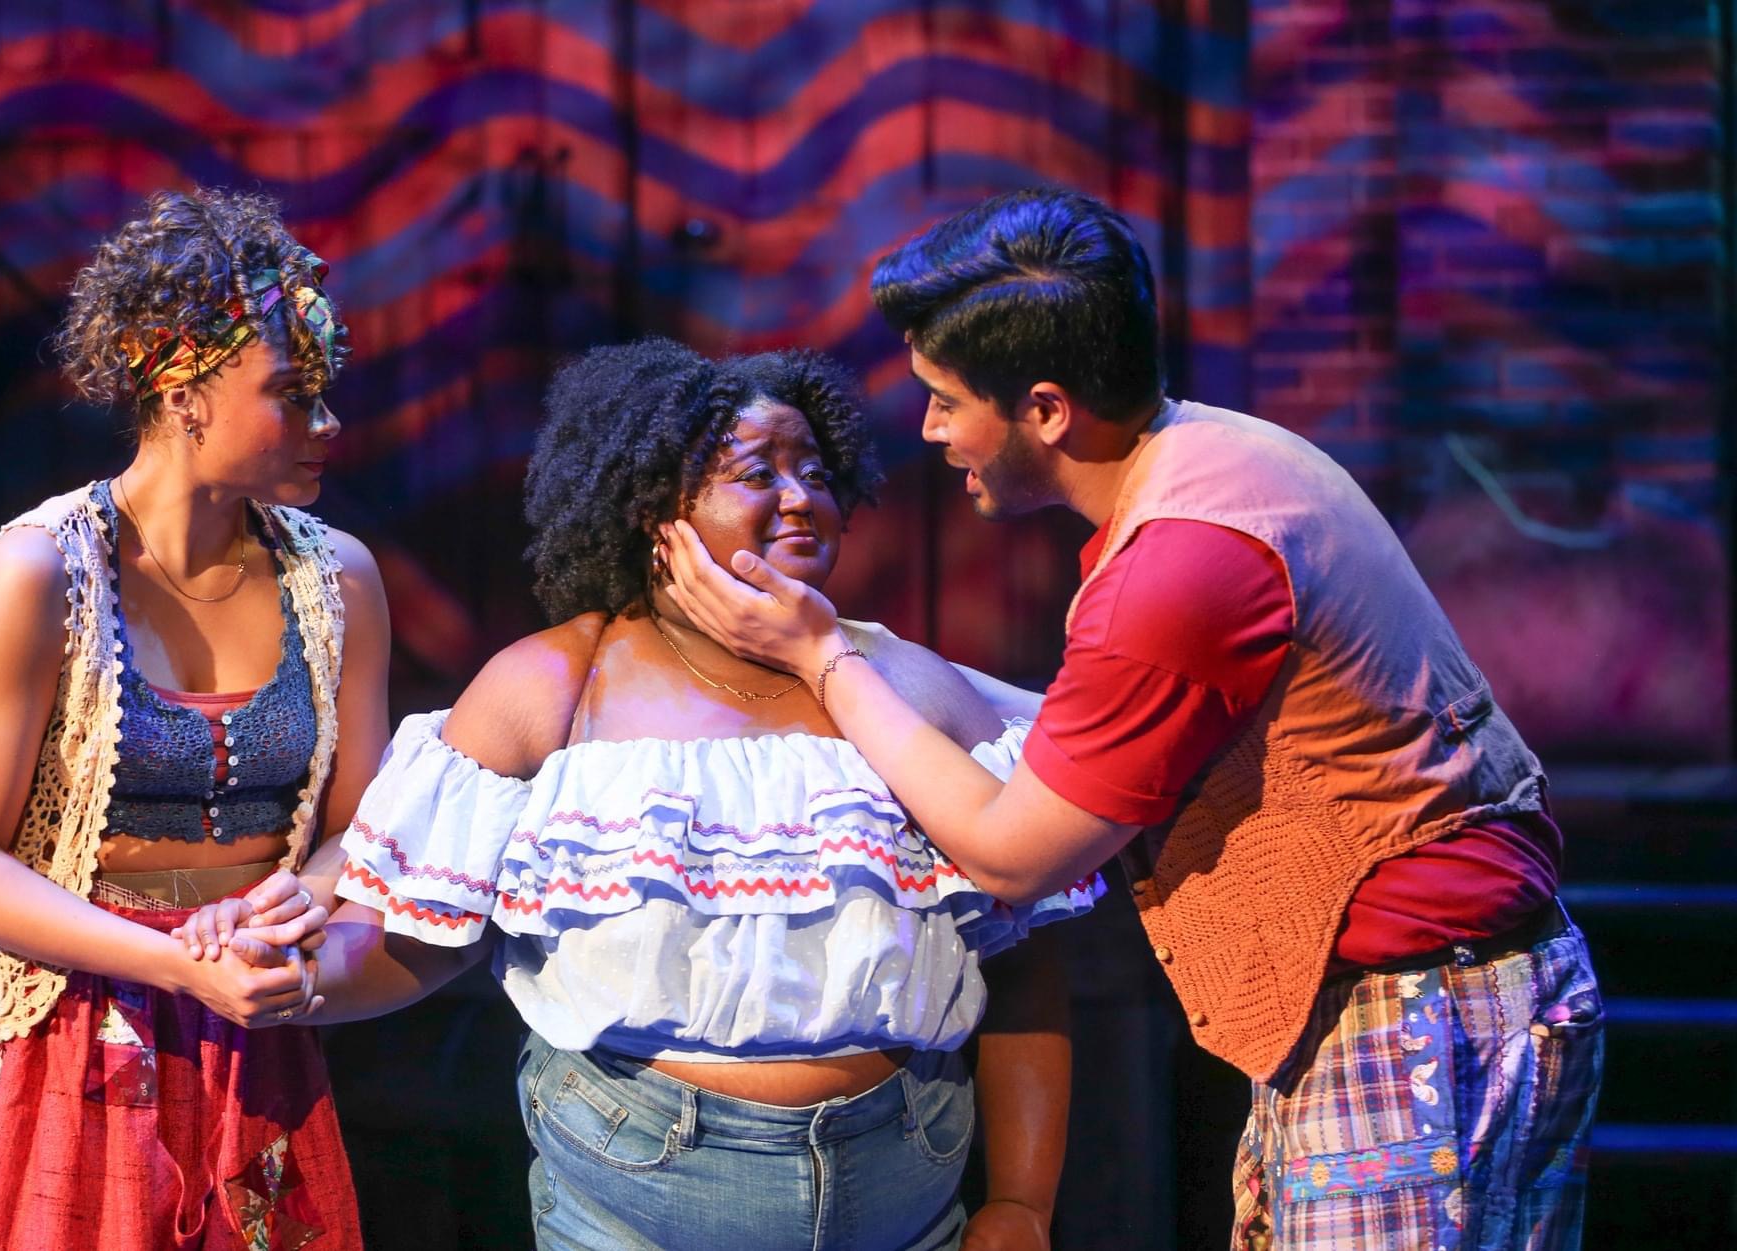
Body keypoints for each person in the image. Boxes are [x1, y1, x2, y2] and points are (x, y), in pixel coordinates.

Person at [660, 187, 1603, 1250]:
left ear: (1046, 409)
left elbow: (1015, 855)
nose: (929, 430)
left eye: (945, 399)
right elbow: (1117, 720)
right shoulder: (1217, 455)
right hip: (1421, 994)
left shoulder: (1181, 563)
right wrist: (870, 662)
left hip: (1416, 1014)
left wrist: (822, 658)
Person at [225, 339, 1098, 1250]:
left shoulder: (905, 686)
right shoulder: (556, 686)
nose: (801, 497)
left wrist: (1022, 1200)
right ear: (656, 512)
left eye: (815, 473)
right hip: (639, 1193)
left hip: (902, 1186)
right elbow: (421, 938)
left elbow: (1023, 963)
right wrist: (298, 981)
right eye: (757, 473)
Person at [0, 188, 387, 1251]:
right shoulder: (43, 572)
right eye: (293, 394)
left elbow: (361, 828)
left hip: (252, 1016)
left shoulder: (338, 580)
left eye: (324, 392)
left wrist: (281, 914)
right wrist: (174, 963)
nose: (326, 424)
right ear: (182, 393)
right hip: (66, 1019)